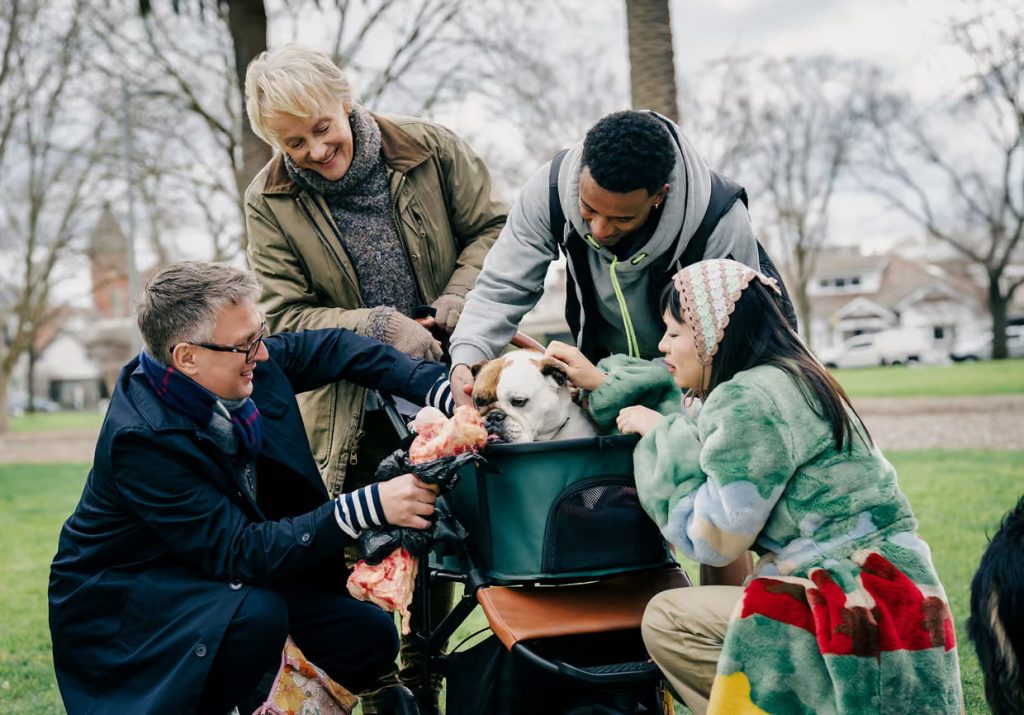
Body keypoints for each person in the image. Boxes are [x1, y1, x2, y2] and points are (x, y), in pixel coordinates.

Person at [545, 259, 964, 714]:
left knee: (667, 619)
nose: (662, 345)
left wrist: (659, 437)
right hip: (896, 592)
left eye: (674, 332)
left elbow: (714, 539)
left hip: (843, 601)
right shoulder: (792, 377)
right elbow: (697, 424)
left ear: (711, 334)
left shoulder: (748, 398)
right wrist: (627, 398)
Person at [48, 261, 454, 715]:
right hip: (137, 597)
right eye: (245, 345)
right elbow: (238, 552)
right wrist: (368, 505)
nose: (261, 355)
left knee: (367, 635)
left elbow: (339, 347)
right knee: (256, 616)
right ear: (187, 357)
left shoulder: (237, 363)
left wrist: (440, 391)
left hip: (217, 573)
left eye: (258, 335)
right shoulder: (141, 440)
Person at [243, 44, 505, 711]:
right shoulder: (269, 200)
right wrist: (382, 327)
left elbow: (496, 228)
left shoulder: (429, 148)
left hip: (451, 375)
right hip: (346, 408)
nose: (314, 150)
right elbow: (284, 316)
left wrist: (456, 302)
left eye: (322, 128)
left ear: (346, 98)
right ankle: (379, 688)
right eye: (292, 141)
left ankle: (427, 671)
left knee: (448, 534)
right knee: (360, 546)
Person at [449, 109, 767, 405]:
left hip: (694, 395)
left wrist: (615, 383)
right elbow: (500, 288)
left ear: (660, 196)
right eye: (589, 209)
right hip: (598, 385)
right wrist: (465, 356)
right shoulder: (547, 193)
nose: (600, 230)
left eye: (622, 219)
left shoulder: (719, 222)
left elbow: (726, 352)